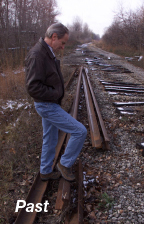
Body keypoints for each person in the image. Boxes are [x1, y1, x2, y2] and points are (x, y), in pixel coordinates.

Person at [25, 23, 86, 182]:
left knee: (50, 138)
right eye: (63, 42)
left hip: (49, 103)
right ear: (54, 37)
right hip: (46, 105)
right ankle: (64, 164)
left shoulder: (46, 52)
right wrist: (55, 93)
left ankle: (45, 172)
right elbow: (33, 87)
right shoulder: (37, 55)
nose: (63, 47)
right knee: (80, 131)